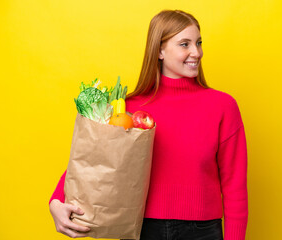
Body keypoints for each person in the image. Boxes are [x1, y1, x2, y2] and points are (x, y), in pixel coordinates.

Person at [49, 9, 248, 240]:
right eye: (185, 44)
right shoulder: (129, 107)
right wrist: (56, 200)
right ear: (160, 50)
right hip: (141, 229)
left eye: (199, 43)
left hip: (203, 231)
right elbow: (96, 159)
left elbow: (235, 186)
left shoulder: (222, 106)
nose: (196, 52)